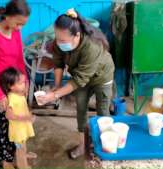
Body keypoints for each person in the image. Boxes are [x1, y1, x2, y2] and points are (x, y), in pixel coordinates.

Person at [38, 8, 115, 159]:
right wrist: (57, 85)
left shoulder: (91, 47)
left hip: (102, 77)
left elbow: (79, 79)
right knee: (80, 108)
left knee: (103, 112)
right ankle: (84, 144)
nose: (59, 43)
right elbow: (58, 62)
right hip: (81, 78)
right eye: (57, 38)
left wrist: (54, 95)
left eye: (64, 41)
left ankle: (103, 145)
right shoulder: (59, 42)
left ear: (77, 35)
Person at [0, 0, 30, 168]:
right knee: (4, 125)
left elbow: (19, 59)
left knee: (18, 123)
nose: (20, 28)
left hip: (16, 85)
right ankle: (6, 161)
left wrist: (25, 81)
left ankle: (19, 153)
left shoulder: (15, 32)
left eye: (23, 24)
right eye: (18, 23)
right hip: (0, 87)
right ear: (8, 17)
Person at [0, 67, 35, 169]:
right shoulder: (11, 98)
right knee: (20, 150)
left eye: (24, 82)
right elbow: (8, 115)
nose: (24, 85)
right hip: (18, 131)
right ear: (11, 86)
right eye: (21, 83)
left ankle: (25, 155)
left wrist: (27, 115)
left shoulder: (19, 94)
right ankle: (22, 165)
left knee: (23, 146)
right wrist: (25, 118)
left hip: (22, 128)